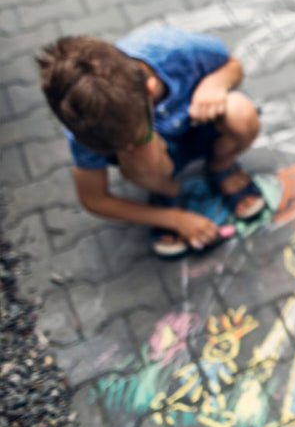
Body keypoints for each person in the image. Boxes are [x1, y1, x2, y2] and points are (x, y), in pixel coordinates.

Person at [36, 26, 265, 259]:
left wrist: (216, 83)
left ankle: (221, 167)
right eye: (118, 148)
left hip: (204, 127)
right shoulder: (86, 125)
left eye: (136, 136)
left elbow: (233, 66)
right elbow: (94, 198)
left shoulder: (173, 48)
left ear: (150, 89)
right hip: (160, 162)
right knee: (139, 154)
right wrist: (172, 219)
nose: (126, 147)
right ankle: (168, 194)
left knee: (242, 113)